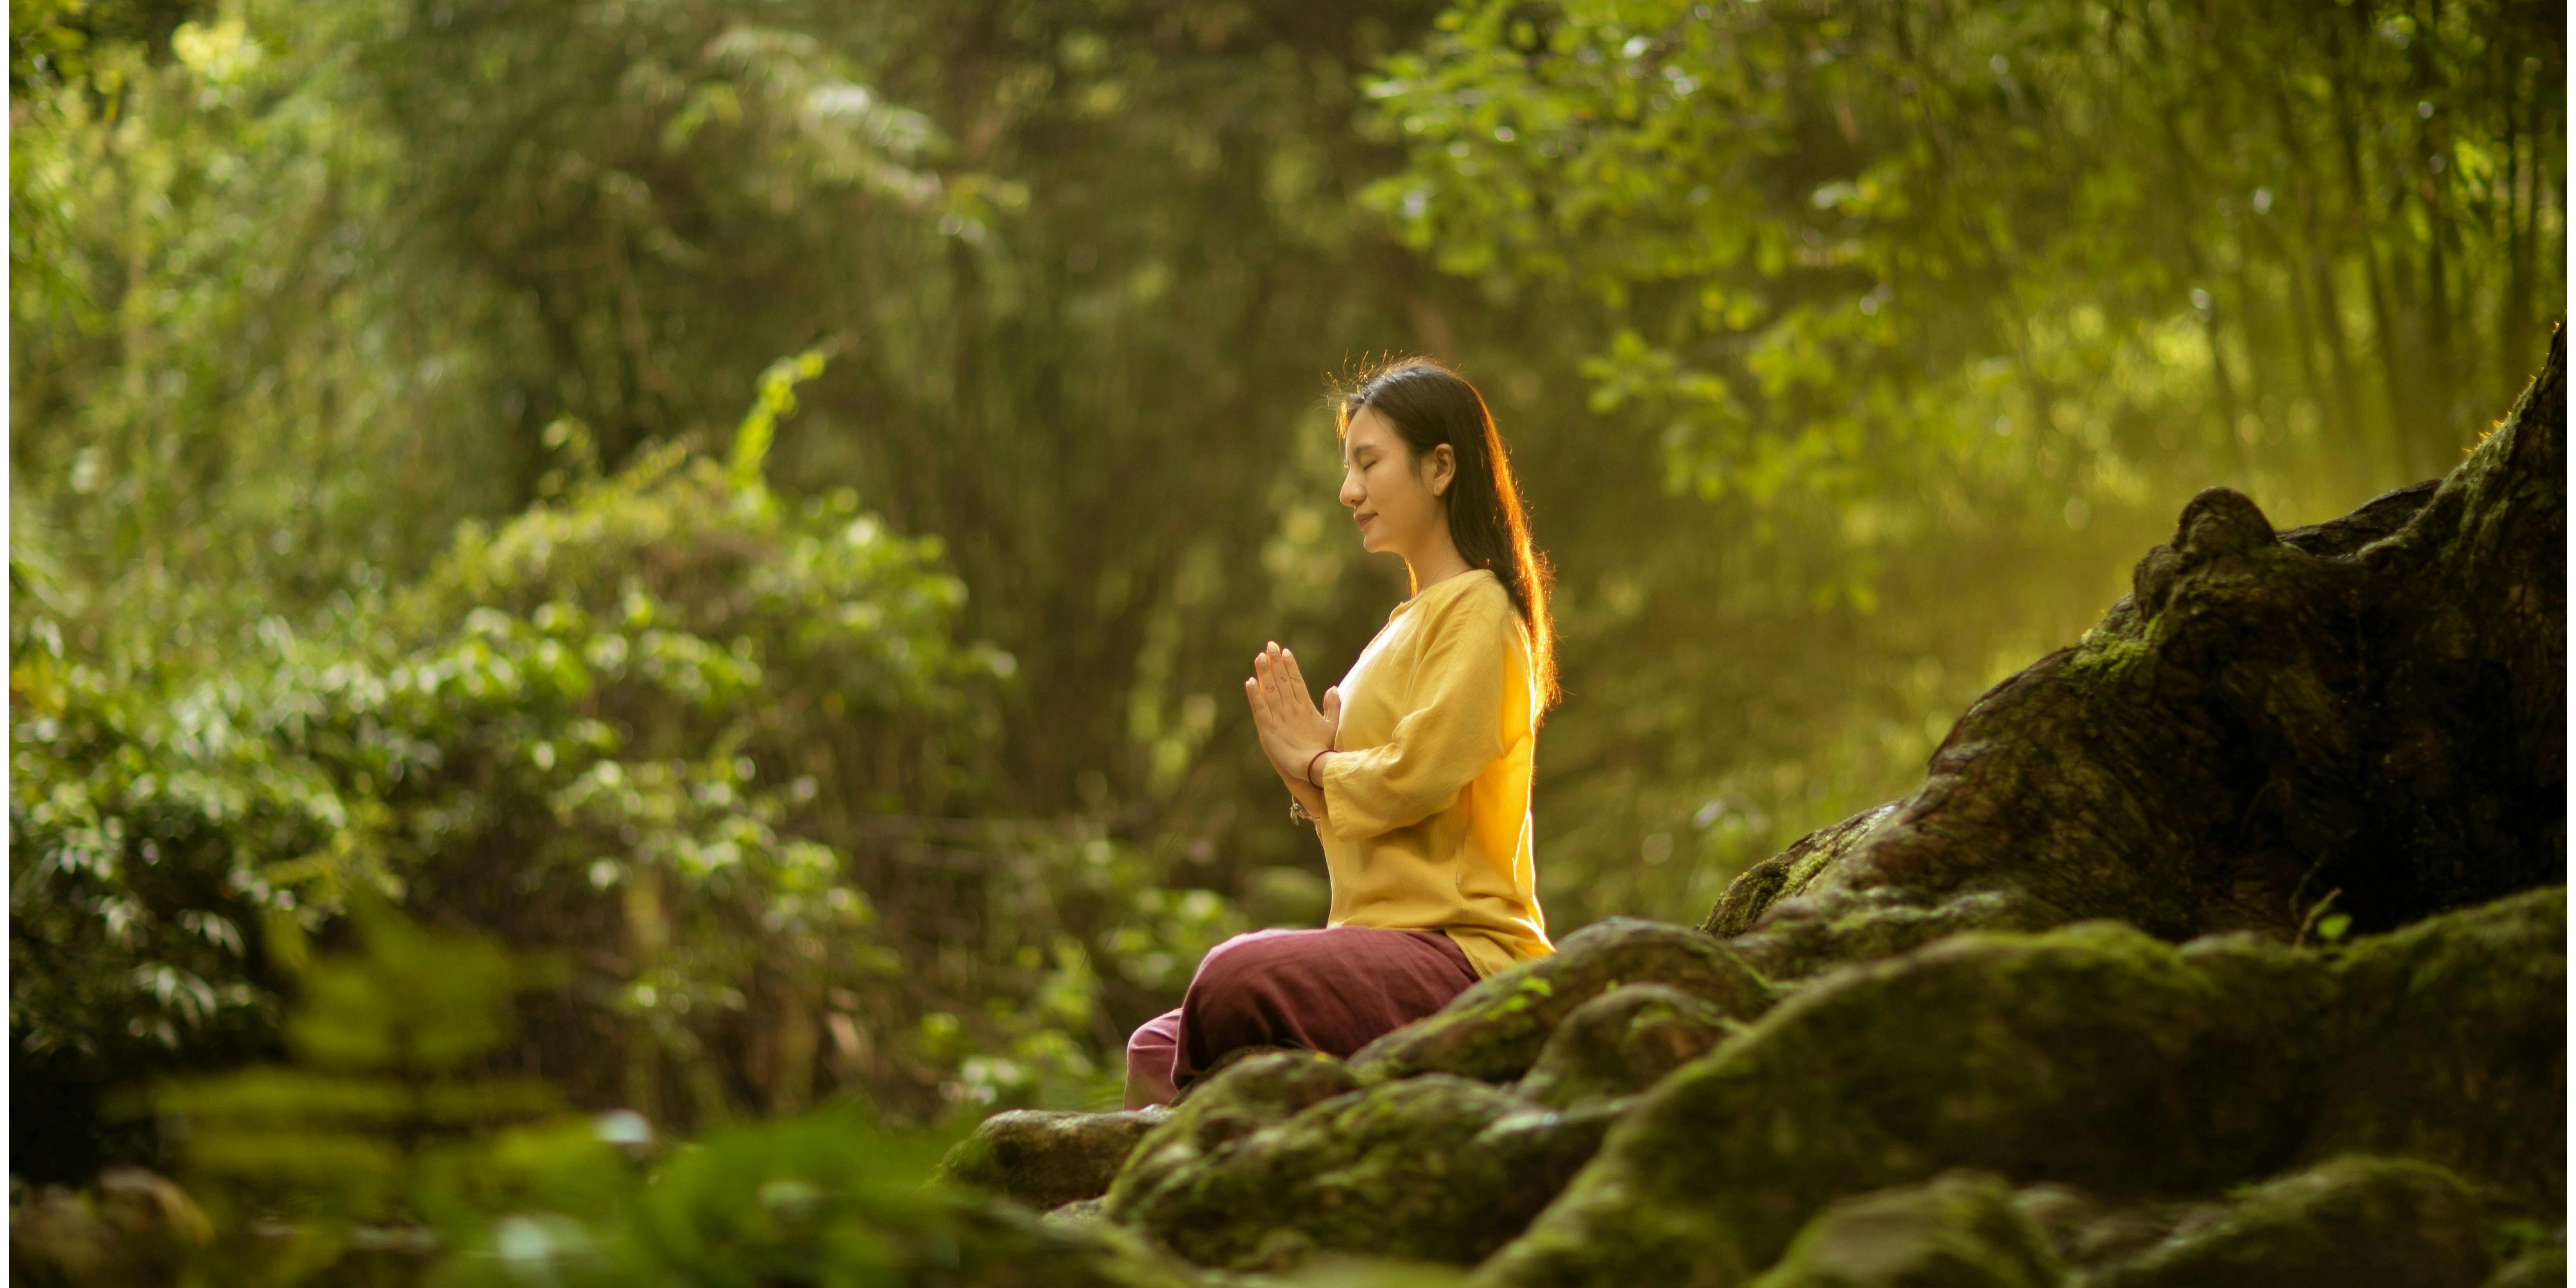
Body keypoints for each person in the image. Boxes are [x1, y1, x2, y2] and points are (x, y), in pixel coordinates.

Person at [1123, 357, 1559, 1109]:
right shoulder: (1401, 627)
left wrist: (1318, 765)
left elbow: (1417, 777)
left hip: (1463, 954)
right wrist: (1300, 771)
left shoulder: (1481, 611)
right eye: (1348, 467)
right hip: (1378, 944)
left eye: (1368, 463)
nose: (1348, 491)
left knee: (1231, 977)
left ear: (1441, 467)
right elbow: (1371, 814)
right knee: (1156, 1047)